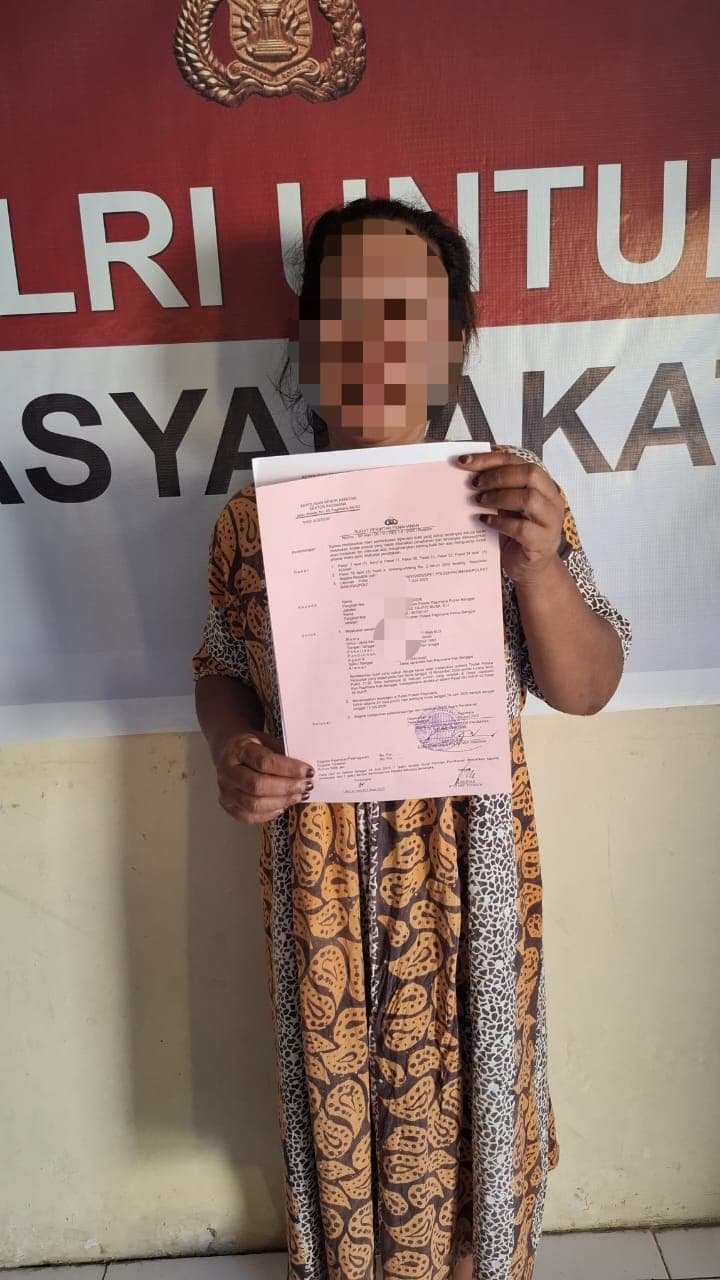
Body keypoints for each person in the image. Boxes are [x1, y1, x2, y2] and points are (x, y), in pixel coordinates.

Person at [193, 198, 631, 1280]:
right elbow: (221, 668)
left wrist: (537, 566)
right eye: (340, 313)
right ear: (305, 342)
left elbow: (587, 685)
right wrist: (234, 749)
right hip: (322, 881)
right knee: (344, 1111)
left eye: (405, 313)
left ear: (456, 339)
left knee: (484, 1104)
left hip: (475, 870)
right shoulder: (251, 522)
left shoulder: (512, 495)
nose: (372, 341)